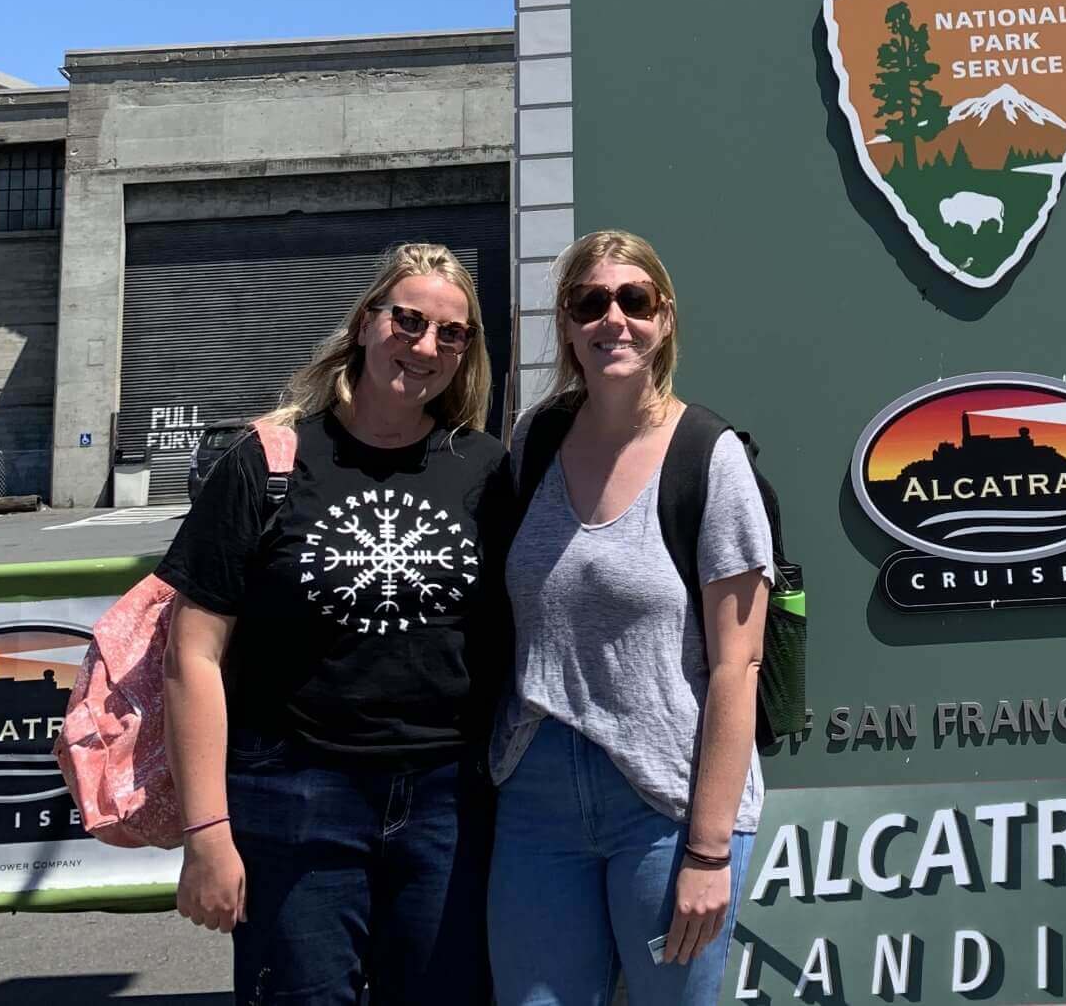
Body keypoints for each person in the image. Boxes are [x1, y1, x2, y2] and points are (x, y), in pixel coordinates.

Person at [161, 243, 513, 1005]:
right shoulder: (270, 458)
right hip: (295, 794)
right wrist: (206, 833)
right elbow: (191, 654)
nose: (425, 346)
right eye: (408, 321)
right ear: (364, 323)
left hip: (447, 804)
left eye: (451, 334)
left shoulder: (485, 468)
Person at [487, 229, 773, 1006]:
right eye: (590, 302)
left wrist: (709, 851)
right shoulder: (533, 441)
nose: (612, 318)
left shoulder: (710, 457)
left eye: (633, 299)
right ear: (568, 325)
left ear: (664, 318)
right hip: (535, 792)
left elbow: (737, 663)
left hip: (667, 802)